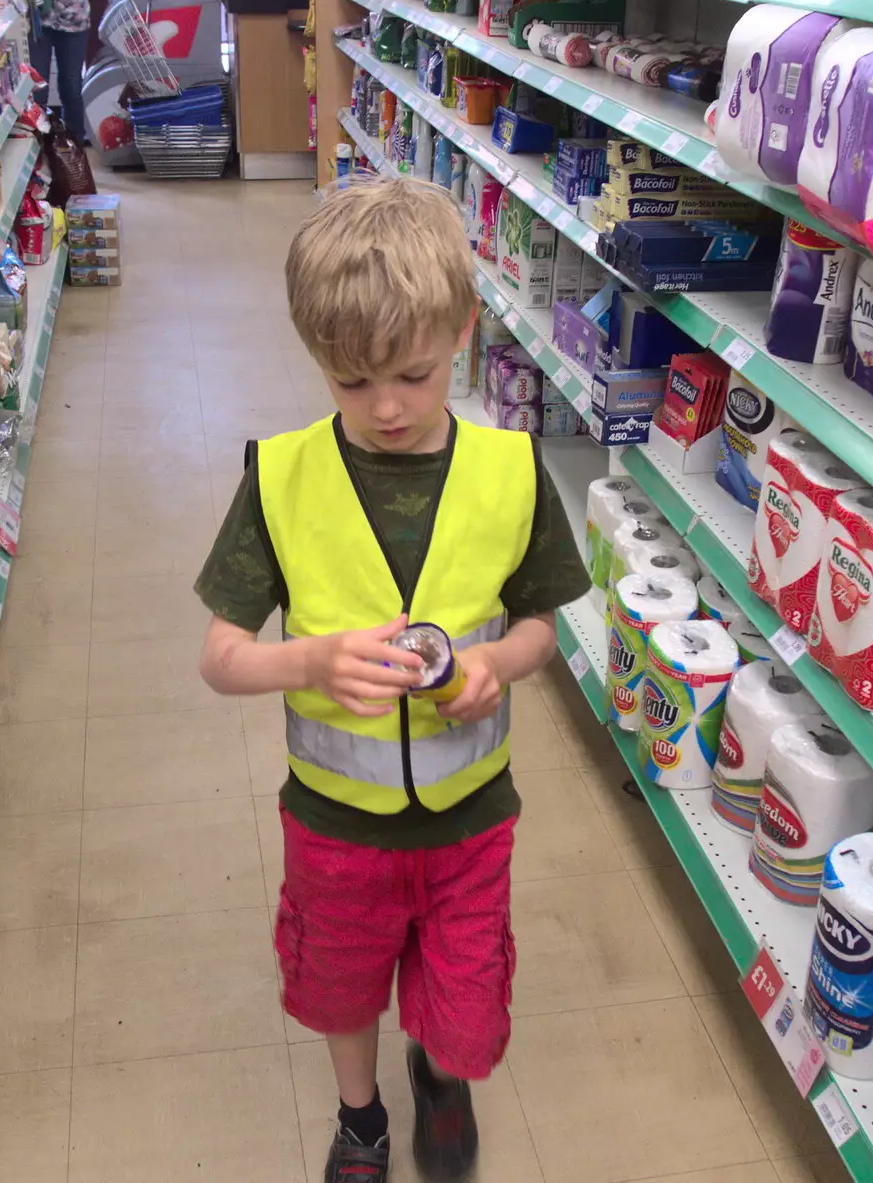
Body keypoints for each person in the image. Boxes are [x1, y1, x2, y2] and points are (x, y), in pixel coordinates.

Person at [194, 176, 591, 1182]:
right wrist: (310, 659)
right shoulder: (281, 478)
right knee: (337, 989)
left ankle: (440, 1075)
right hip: (335, 824)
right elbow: (221, 656)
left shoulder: (508, 471)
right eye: (349, 382)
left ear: (462, 329)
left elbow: (542, 624)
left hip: (470, 820)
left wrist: (497, 662)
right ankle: (360, 1116)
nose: (385, 408)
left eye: (413, 375)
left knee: (463, 1004)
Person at [29, 0, 89, 142]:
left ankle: (74, 147)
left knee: (71, 86)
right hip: (38, 21)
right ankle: (37, 146)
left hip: (74, 20)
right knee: (38, 87)